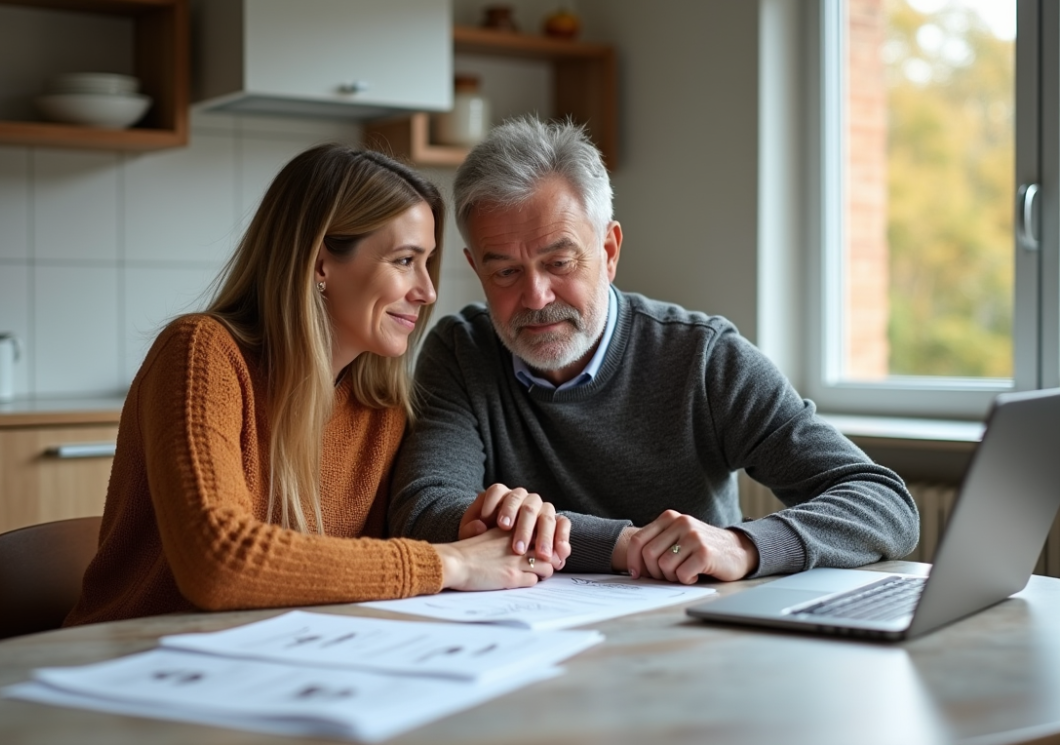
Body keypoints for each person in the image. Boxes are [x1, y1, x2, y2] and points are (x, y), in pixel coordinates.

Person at [388, 116, 919, 584]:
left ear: (609, 250)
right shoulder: (462, 351)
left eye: (559, 263)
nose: (535, 297)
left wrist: (745, 545)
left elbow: (883, 502)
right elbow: (424, 509)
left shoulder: (703, 358)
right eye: (504, 271)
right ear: (476, 269)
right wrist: (624, 545)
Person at [66, 144, 555, 627]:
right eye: (405, 261)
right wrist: (452, 562)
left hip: (275, 664)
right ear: (321, 264)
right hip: (138, 663)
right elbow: (219, 564)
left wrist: (489, 523)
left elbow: (366, 566)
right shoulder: (202, 354)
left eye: (427, 263)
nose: (427, 291)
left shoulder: (379, 407)